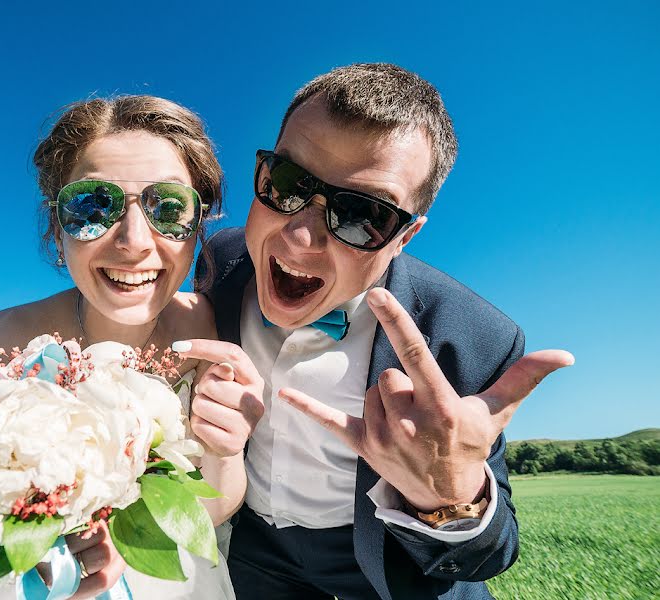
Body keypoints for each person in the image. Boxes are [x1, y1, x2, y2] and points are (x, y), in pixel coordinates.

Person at [187, 63, 575, 600]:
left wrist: (450, 495)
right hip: (253, 557)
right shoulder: (220, 260)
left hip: (386, 568)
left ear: (405, 236)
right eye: (287, 183)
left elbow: (491, 551)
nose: (300, 237)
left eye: (361, 215)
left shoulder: (469, 336)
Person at [0, 95, 262, 600]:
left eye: (168, 208)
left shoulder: (210, 327)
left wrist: (225, 453)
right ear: (56, 226)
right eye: (93, 205)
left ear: (197, 226)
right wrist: (46, 547)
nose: (135, 242)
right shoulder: (2, 338)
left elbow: (212, 507)